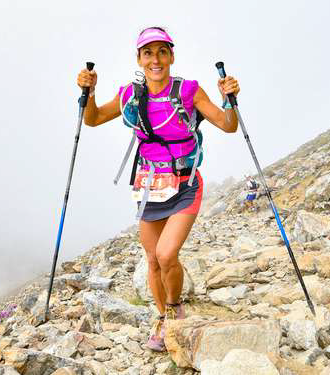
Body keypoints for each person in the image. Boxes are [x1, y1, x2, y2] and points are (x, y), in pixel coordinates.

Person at [76, 27, 240, 351]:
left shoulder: (189, 91)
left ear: (171, 57)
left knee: (167, 254)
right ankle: (163, 318)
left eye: (162, 52)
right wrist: (89, 92)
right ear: (139, 58)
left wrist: (229, 99)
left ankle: (175, 306)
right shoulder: (129, 96)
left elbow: (228, 124)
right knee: (152, 261)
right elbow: (92, 119)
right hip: (149, 188)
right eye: (148, 53)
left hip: (185, 183)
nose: (155, 59)